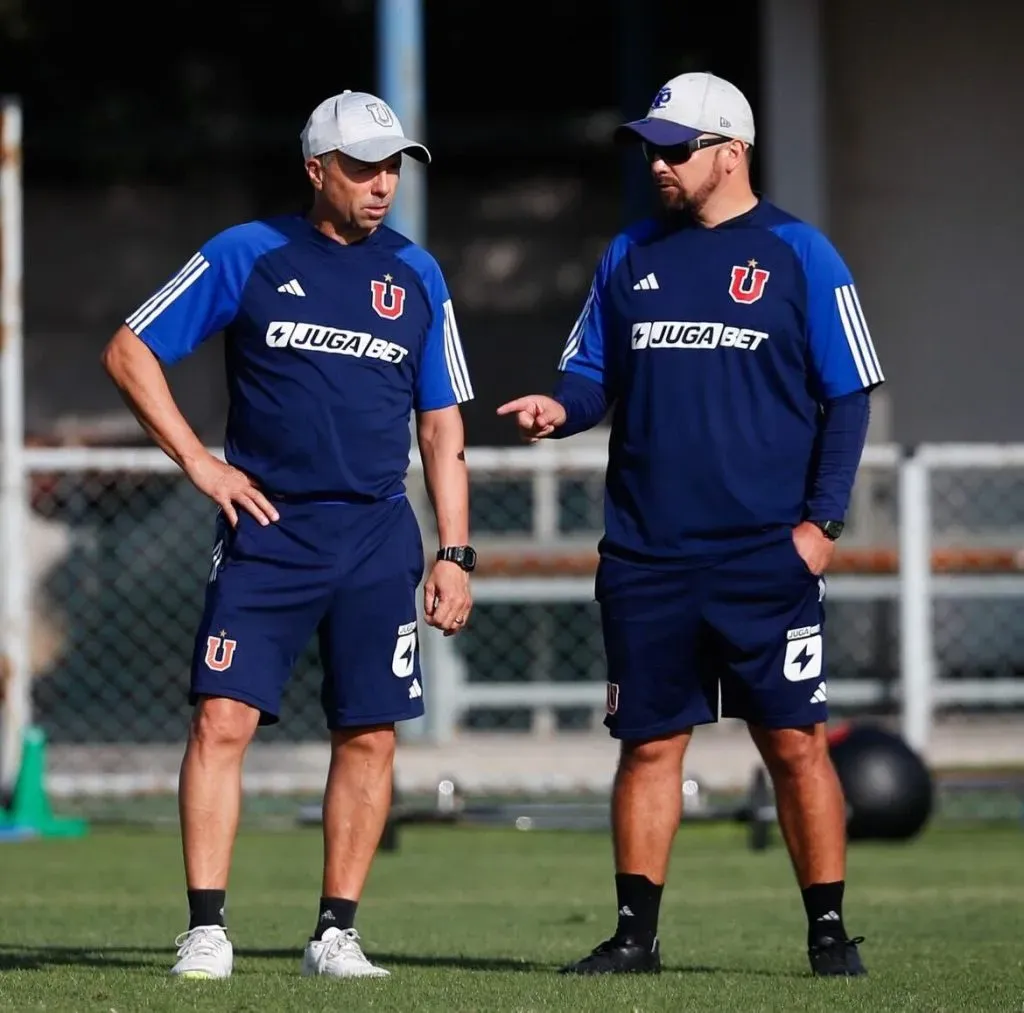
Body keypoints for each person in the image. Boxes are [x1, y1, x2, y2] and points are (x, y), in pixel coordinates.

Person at [498, 71, 882, 978]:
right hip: (647, 551)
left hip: (766, 552)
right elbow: (592, 373)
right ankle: (636, 936)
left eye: (677, 148)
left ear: (732, 152)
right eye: (651, 147)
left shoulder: (801, 254)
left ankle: (829, 933)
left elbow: (852, 394)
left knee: (793, 741)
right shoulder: (631, 252)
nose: (658, 163)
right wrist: (564, 409)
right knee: (649, 743)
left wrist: (821, 523)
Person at [102, 90, 477, 980]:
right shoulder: (250, 253)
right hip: (267, 529)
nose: (383, 184)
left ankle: (336, 932)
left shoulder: (418, 274)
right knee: (221, 720)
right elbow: (130, 350)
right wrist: (201, 462)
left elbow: (442, 426)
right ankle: (205, 928)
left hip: (378, 534)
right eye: (363, 167)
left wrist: (454, 550)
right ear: (317, 170)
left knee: (371, 732)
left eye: (394, 166)